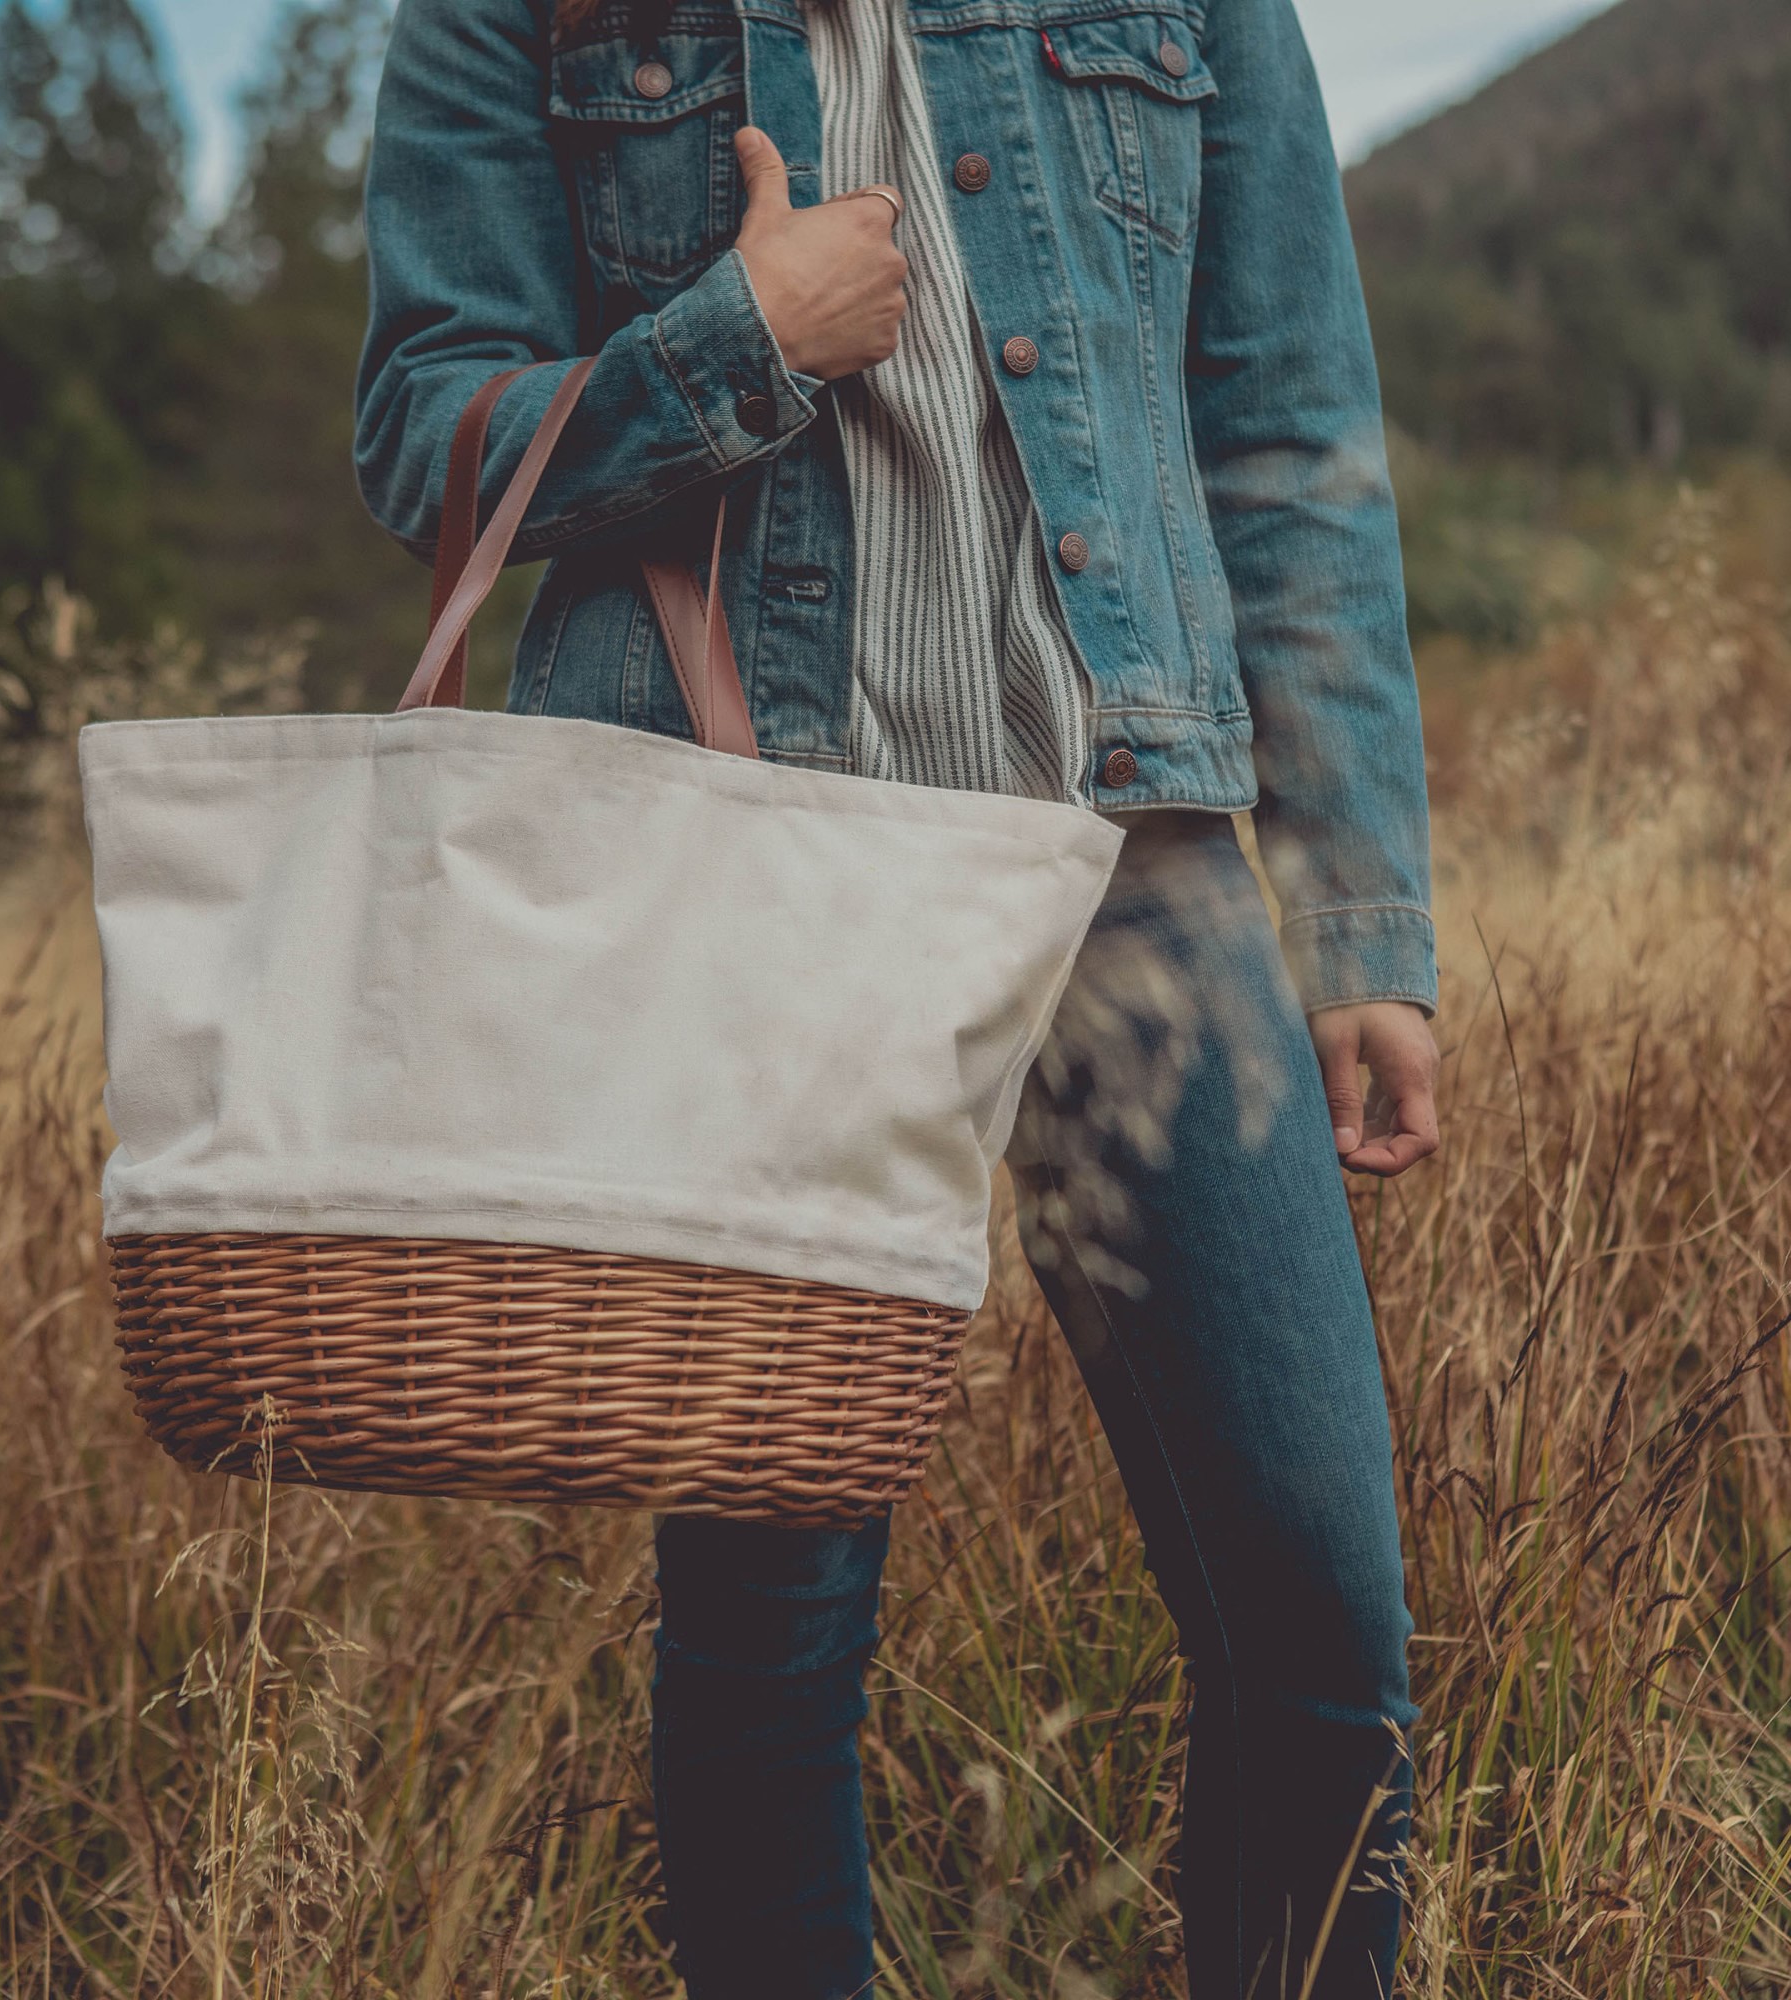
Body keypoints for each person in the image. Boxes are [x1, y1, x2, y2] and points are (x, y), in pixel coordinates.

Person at [355, 0, 1442, 1989]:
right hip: (755, 868)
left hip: (1136, 865)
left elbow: (1287, 427)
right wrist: (737, 343)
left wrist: (1360, 908)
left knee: (1320, 1625)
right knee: (771, 1644)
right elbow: (425, 431)